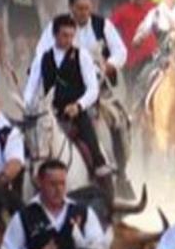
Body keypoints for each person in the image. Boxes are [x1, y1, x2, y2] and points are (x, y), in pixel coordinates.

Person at [0, 160, 104, 249]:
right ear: (40, 182)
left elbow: (101, 248)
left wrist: (82, 244)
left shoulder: (83, 212)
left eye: (62, 183)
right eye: (53, 184)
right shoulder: (25, 217)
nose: (59, 189)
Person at [24, 15, 112, 184]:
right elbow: (31, 87)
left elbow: (92, 89)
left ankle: (107, 194)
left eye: (71, 35)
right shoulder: (42, 57)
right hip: (48, 112)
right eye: (64, 35)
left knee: (95, 150)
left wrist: (79, 105)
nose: (69, 39)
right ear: (55, 35)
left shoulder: (82, 56)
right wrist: (30, 105)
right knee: (26, 147)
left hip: (75, 113)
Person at [35, 0, 127, 86]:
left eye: (87, 8)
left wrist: (110, 64)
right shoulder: (57, 26)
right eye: (80, 8)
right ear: (70, 7)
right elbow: (42, 51)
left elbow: (120, 50)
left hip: (100, 79)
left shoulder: (103, 24)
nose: (84, 12)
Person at [109, 0, 157, 93]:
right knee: (133, 94)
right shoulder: (122, 11)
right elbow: (107, 27)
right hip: (132, 61)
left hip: (153, 59)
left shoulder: (155, 8)